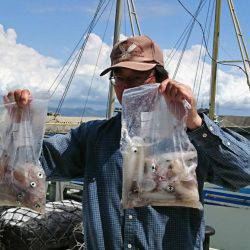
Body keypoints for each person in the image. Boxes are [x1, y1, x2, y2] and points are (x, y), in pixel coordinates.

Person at [5, 35, 250, 250]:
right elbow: (36, 165)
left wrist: (195, 122)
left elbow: (243, 173)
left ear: (160, 80)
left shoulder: (188, 134)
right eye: (119, 78)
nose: (125, 87)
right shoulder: (93, 137)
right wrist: (20, 123)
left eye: (136, 78)